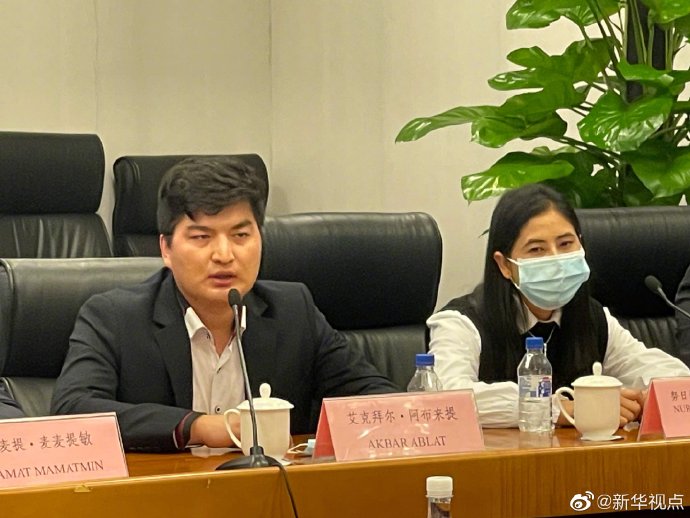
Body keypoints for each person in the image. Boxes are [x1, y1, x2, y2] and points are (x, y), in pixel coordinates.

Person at [51, 156, 398, 452]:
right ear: (166, 249)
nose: (224, 254)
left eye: (240, 235)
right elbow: (72, 411)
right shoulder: (114, 318)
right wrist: (199, 427)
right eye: (202, 237)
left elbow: (377, 398)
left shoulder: (294, 311)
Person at [428, 184, 690, 428]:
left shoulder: (592, 317)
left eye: (565, 244)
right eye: (536, 249)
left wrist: (653, 396)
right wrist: (558, 409)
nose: (555, 259)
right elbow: (447, 397)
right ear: (505, 265)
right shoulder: (461, 322)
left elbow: (663, 373)